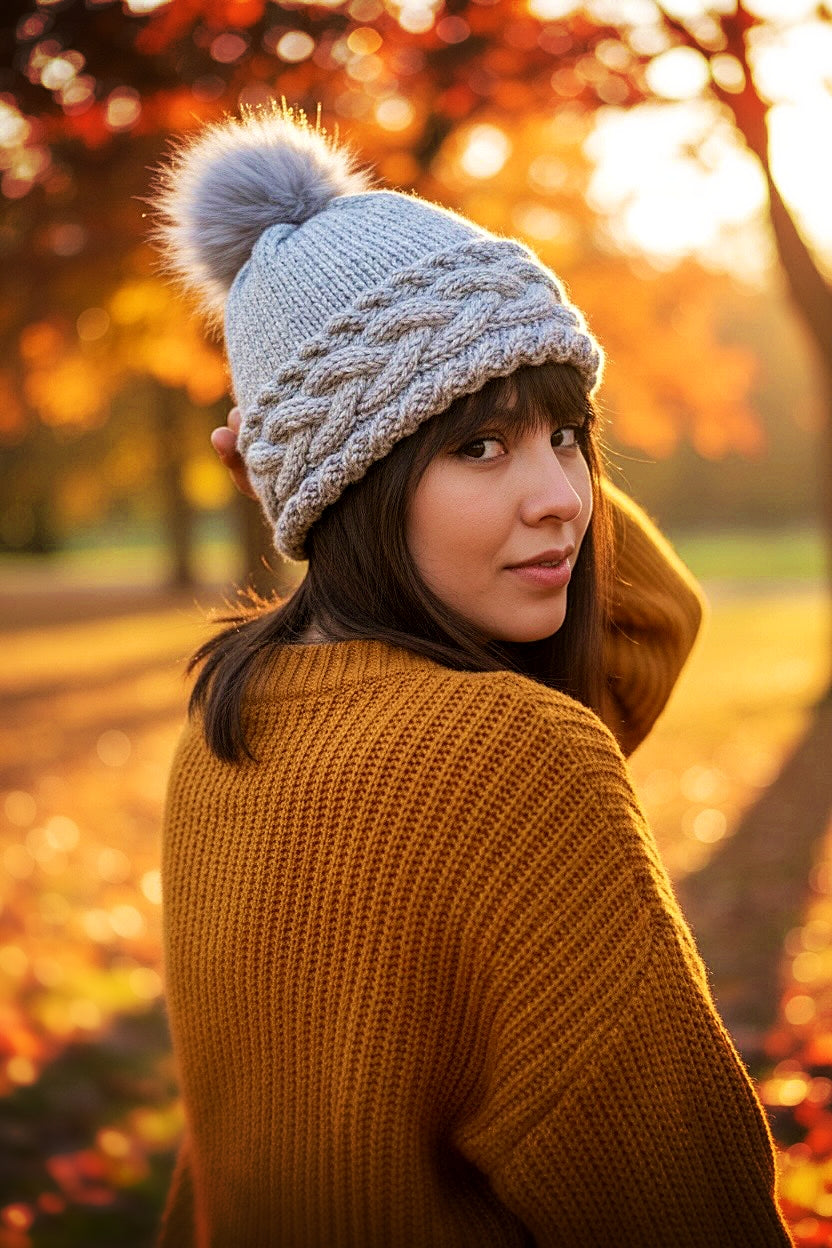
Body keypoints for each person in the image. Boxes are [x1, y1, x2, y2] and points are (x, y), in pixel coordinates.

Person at [152, 106, 792, 1246]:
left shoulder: (227, 725)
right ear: (353, 480)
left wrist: (312, 460)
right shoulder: (514, 760)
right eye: (477, 446)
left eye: (565, 434)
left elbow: (636, 624)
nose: (560, 495)